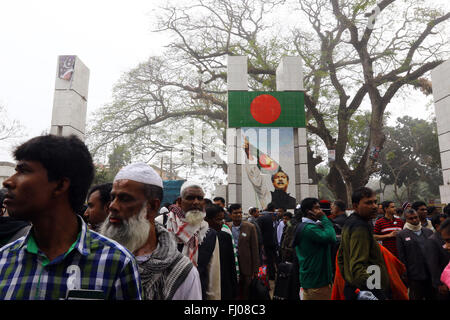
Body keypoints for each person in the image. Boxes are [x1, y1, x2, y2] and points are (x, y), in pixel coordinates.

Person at [0, 134, 142, 300]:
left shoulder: (116, 262)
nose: (8, 182)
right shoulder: (4, 259)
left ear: (60, 185)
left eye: (23, 171)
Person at [99, 162, 201, 300]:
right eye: (112, 198)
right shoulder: (95, 258)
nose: (112, 206)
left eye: (124, 199)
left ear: (152, 206)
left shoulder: (182, 272)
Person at [166, 181, 221, 300]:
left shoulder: (209, 234)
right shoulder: (163, 225)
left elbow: (213, 279)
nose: (196, 202)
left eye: (200, 198)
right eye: (190, 198)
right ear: (180, 202)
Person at [337, 187, 390, 300]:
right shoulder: (360, 227)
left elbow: (341, 258)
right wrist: (378, 295)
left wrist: (349, 279)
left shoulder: (351, 221)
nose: (374, 206)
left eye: (375, 202)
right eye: (368, 203)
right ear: (355, 206)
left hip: (354, 289)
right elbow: (358, 267)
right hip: (367, 291)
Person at [292, 198, 336, 300]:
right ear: (309, 211)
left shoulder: (304, 226)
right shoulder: (309, 229)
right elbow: (331, 237)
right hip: (318, 282)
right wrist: (324, 218)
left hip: (310, 280)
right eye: (317, 208)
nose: (320, 211)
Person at [396, 209, 434, 300]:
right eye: (411, 218)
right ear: (406, 220)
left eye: (416, 217)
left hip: (430, 273)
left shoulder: (428, 232)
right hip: (414, 275)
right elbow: (401, 256)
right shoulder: (401, 235)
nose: (414, 220)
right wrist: (405, 274)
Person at [226, 203, 259, 300]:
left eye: (240, 212)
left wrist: (255, 269)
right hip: (231, 263)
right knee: (234, 287)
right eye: (235, 213)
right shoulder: (227, 227)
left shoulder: (250, 227)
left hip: (247, 264)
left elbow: (255, 249)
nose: (238, 215)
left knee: (246, 288)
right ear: (230, 214)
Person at [205, 204, 238, 300]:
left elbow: (231, 265)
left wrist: (234, 288)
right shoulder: (199, 240)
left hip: (224, 286)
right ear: (207, 220)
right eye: (218, 220)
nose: (221, 223)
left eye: (222, 219)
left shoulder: (225, 237)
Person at [425, 217, 450, 300]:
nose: (446, 246)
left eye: (449, 241)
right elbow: (433, 264)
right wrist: (439, 283)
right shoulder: (432, 240)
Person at [257, 202, 278, 282]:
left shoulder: (262, 218)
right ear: (273, 209)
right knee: (276, 259)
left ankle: (269, 276)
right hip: (275, 241)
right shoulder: (277, 217)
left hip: (265, 242)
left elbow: (259, 231)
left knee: (266, 260)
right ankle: (279, 274)